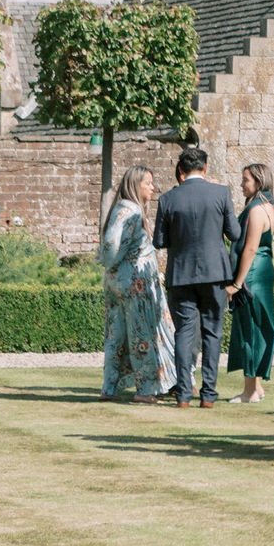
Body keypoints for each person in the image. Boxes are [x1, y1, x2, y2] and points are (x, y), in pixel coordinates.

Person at [154, 145, 241, 408]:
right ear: (205, 168)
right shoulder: (221, 193)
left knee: (184, 333)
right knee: (212, 333)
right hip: (215, 273)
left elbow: (159, 240)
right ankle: (209, 395)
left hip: (181, 273)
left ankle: (182, 394)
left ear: (181, 170)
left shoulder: (168, 199)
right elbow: (234, 233)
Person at [100, 166, 172, 403]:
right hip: (134, 283)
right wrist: (115, 262)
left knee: (115, 335)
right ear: (135, 185)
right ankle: (145, 389)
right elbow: (111, 244)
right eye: (148, 183)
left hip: (118, 282)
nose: (153, 187)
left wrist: (112, 268)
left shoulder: (121, 208)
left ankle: (109, 387)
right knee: (141, 334)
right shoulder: (130, 210)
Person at [224, 162, 274, 402]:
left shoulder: (256, 210)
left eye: (245, 179)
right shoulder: (268, 206)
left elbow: (251, 247)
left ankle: (250, 391)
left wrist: (237, 283)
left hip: (253, 274)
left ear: (258, 181)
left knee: (250, 330)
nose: (241, 184)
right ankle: (256, 386)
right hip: (264, 270)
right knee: (257, 326)